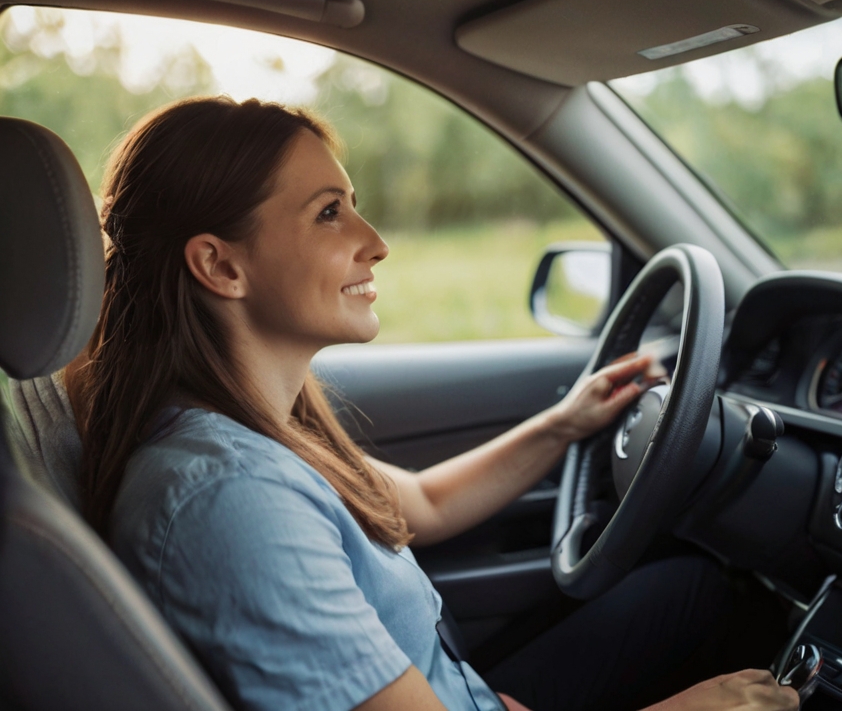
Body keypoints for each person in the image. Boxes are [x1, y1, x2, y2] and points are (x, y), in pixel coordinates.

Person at [65, 96, 799, 711]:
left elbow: (424, 503)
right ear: (220, 265)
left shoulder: (250, 434)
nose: (375, 243)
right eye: (329, 214)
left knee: (693, 588)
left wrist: (564, 422)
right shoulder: (229, 498)